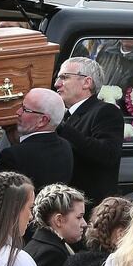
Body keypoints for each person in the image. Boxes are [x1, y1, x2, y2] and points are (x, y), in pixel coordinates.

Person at [52, 57, 124, 202]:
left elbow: (107, 154)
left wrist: (61, 126)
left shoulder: (106, 111)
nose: (57, 84)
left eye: (64, 77)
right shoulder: (66, 115)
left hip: (89, 208)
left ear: (86, 82)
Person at [0, 87, 73, 188]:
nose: (18, 112)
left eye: (25, 110)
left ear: (42, 120)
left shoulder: (13, 155)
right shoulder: (66, 147)